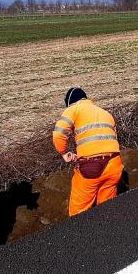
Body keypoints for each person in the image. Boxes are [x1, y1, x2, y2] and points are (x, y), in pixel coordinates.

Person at [52, 88, 123, 216]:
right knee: (108, 209)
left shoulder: (73, 109)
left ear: (70, 103)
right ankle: (111, 232)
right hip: (115, 164)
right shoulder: (106, 113)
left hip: (92, 167)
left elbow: (58, 134)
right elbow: (109, 141)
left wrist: (64, 153)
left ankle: (78, 233)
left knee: (78, 214)